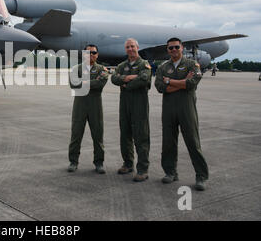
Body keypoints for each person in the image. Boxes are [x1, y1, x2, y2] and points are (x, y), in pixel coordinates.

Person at [155, 37, 209, 191]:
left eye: (176, 47)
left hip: (187, 108)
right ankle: (170, 172)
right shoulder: (163, 67)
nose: (173, 50)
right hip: (169, 109)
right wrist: (181, 83)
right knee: (168, 143)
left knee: (193, 142)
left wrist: (169, 82)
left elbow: (192, 83)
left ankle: (201, 176)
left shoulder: (192, 64)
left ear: (182, 47)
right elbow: (159, 87)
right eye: (170, 48)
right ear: (167, 50)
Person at [111, 38, 151, 182]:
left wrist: (126, 84)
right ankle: (128, 164)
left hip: (139, 104)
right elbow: (114, 79)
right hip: (125, 105)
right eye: (127, 47)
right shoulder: (122, 65)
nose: (130, 49)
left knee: (141, 136)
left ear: (137, 47)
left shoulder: (144, 64)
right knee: (125, 135)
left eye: (132, 46)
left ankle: (143, 169)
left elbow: (144, 79)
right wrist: (128, 77)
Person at [68, 44, 109, 174]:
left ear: (97, 55)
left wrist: (84, 82)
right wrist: (91, 82)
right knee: (76, 135)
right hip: (80, 106)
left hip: (95, 106)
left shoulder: (102, 69)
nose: (91, 55)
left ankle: (99, 163)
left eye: (94, 52)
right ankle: (73, 161)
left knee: (98, 136)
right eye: (88, 52)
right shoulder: (76, 69)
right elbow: (74, 84)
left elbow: (100, 83)